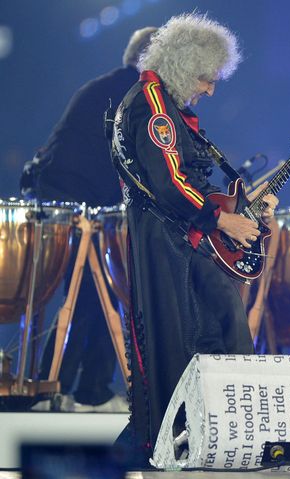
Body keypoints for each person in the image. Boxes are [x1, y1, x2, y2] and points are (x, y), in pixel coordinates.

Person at [109, 14, 279, 462]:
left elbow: (189, 183)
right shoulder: (152, 107)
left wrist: (244, 208)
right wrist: (223, 222)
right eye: (207, 79)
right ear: (184, 66)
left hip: (183, 236)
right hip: (168, 241)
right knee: (189, 338)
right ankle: (187, 442)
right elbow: (170, 183)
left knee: (213, 329)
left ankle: (213, 438)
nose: (210, 90)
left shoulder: (163, 105)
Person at [20, 26, 157, 412]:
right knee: (86, 292)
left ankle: (86, 388)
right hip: (75, 200)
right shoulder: (137, 94)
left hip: (72, 196)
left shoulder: (109, 85)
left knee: (96, 294)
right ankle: (57, 387)